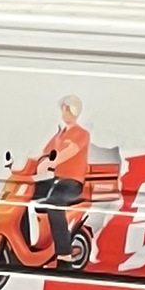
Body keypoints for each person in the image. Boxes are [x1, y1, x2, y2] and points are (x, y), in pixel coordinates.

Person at [26, 96, 91, 261]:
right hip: (55, 180)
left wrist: (51, 161)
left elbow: (70, 150)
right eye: (63, 109)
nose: (64, 112)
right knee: (22, 196)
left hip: (71, 183)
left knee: (55, 203)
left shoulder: (81, 133)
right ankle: (28, 242)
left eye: (66, 109)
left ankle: (64, 252)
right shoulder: (59, 135)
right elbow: (43, 154)